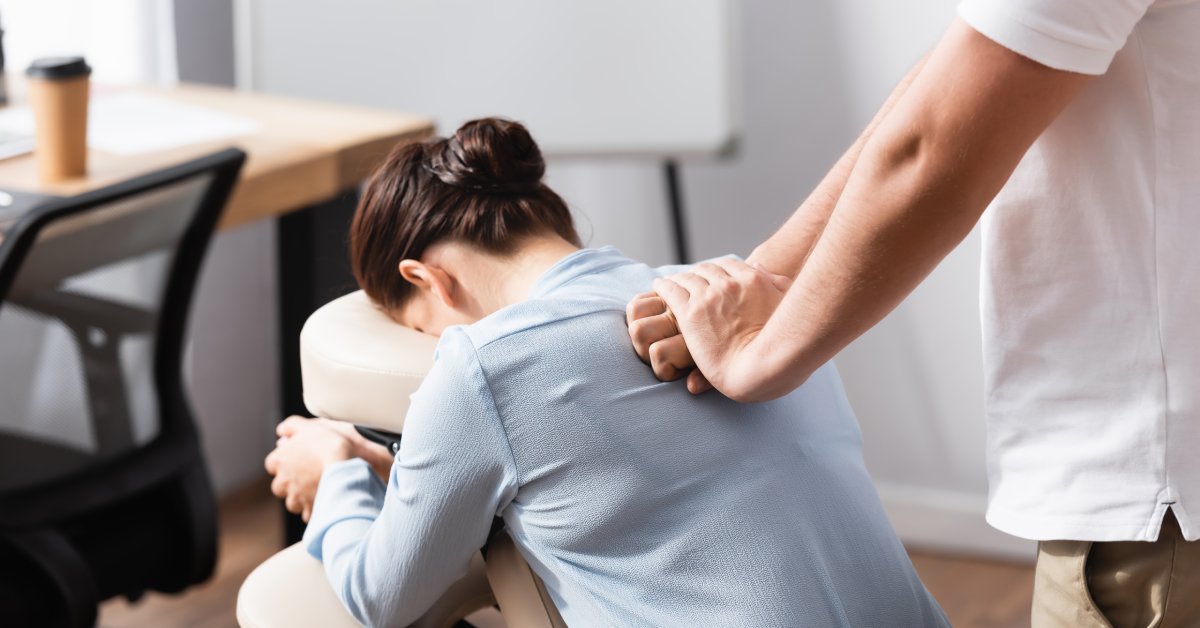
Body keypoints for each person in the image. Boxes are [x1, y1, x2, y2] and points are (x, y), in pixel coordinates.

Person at [628, 2, 1200, 626]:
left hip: (1159, 504)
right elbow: (963, 74)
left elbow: (930, 145)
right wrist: (767, 278)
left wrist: (762, 356)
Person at [264, 118, 949, 627]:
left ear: (428, 280)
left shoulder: (484, 364)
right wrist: (405, 471)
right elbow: (652, 483)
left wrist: (336, 475)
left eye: (418, 326)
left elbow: (381, 598)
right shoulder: (738, 303)